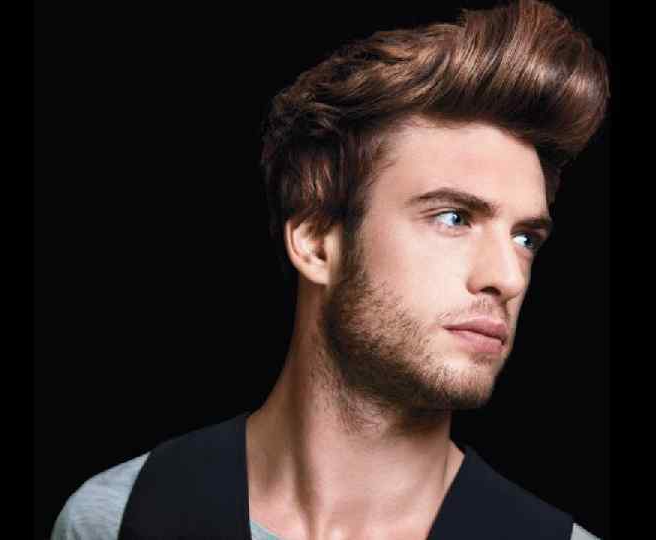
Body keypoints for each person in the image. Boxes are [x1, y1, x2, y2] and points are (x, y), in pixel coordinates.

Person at [51, 0, 609, 538]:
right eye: (453, 218)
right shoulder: (117, 521)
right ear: (316, 242)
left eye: (524, 238)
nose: (509, 277)